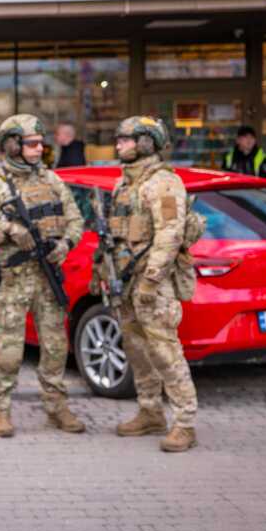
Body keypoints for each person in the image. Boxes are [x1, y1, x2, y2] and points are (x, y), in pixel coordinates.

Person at [0, 114, 86, 438]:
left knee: (56, 347)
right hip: (13, 280)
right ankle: (1, 410)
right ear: (12, 145)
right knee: (9, 350)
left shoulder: (52, 180)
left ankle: (56, 407)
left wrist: (65, 244)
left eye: (40, 143)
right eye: (31, 143)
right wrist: (8, 229)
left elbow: (76, 221)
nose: (39, 148)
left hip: (48, 279)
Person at [99, 116, 199, 453]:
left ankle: (184, 423)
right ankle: (150, 411)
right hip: (126, 282)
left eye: (126, 139)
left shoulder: (163, 183)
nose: (118, 144)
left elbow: (170, 235)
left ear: (145, 142)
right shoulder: (123, 184)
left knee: (165, 352)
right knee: (136, 349)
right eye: (119, 139)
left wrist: (151, 279)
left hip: (152, 285)